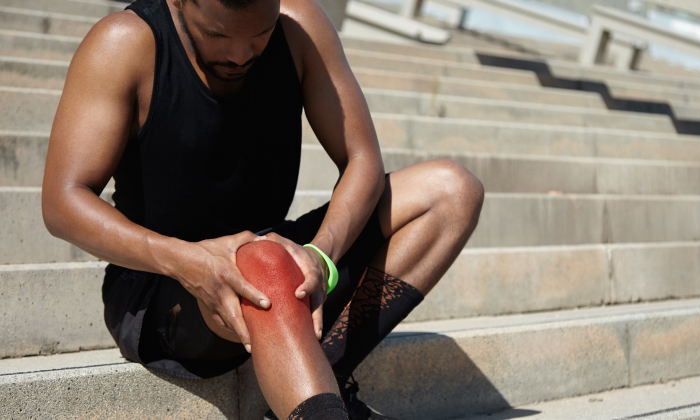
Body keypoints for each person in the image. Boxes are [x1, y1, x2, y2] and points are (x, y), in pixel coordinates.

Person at [41, 0, 484, 418]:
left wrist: (321, 254)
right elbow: (63, 202)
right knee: (264, 261)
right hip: (163, 286)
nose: (240, 53)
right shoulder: (125, 42)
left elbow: (362, 159)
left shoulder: (299, 26)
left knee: (451, 191)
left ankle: (313, 390)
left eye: (261, 32)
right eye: (216, 34)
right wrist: (185, 259)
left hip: (277, 258)